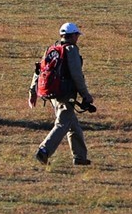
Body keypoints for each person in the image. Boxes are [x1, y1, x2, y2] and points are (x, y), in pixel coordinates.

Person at [29, 22, 95, 166]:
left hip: (53, 93)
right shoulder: (71, 50)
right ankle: (44, 151)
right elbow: (77, 75)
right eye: (77, 35)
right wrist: (86, 95)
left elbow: (39, 70)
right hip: (66, 93)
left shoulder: (52, 49)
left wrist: (32, 91)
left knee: (73, 124)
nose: (77, 38)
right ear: (72, 36)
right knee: (63, 123)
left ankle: (80, 157)